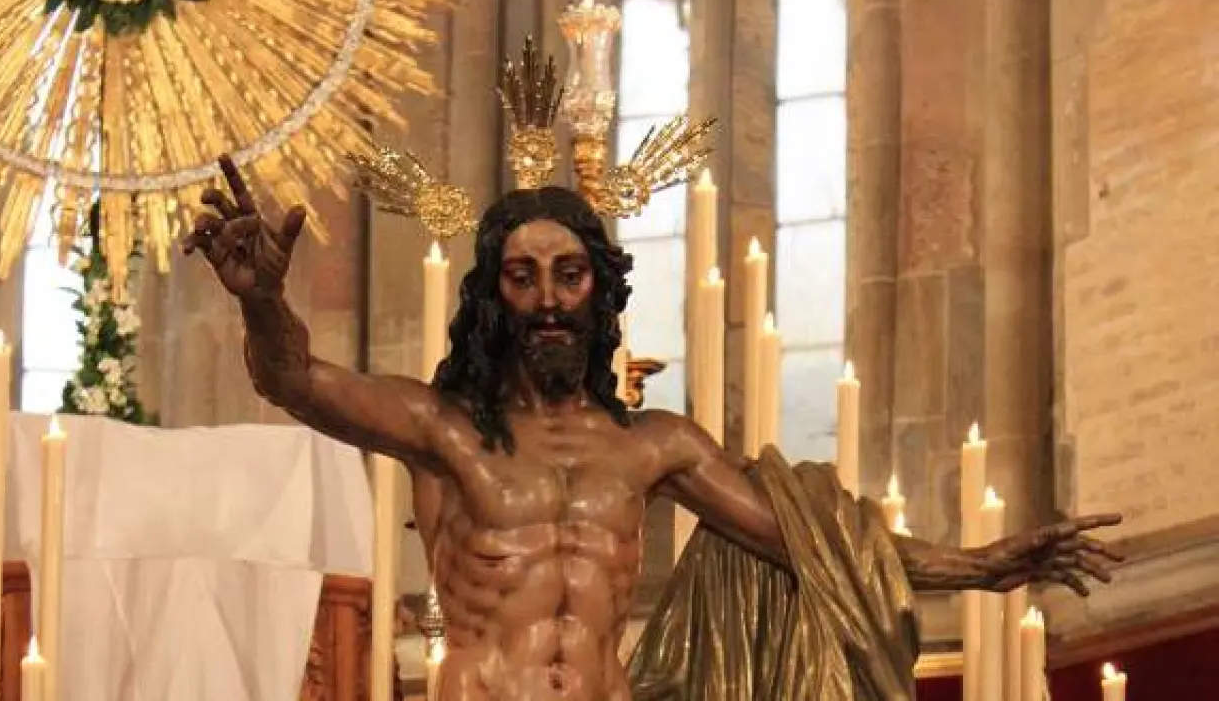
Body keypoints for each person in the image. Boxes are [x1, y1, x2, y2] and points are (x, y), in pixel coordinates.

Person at [184, 156, 1121, 701]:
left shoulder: (652, 447)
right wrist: (263, 299)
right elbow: (294, 379)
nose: (548, 300)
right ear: (493, 297)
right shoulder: (442, 428)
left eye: (569, 276)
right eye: (522, 278)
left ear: (599, 292)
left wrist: (982, 566)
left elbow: (819, 546)